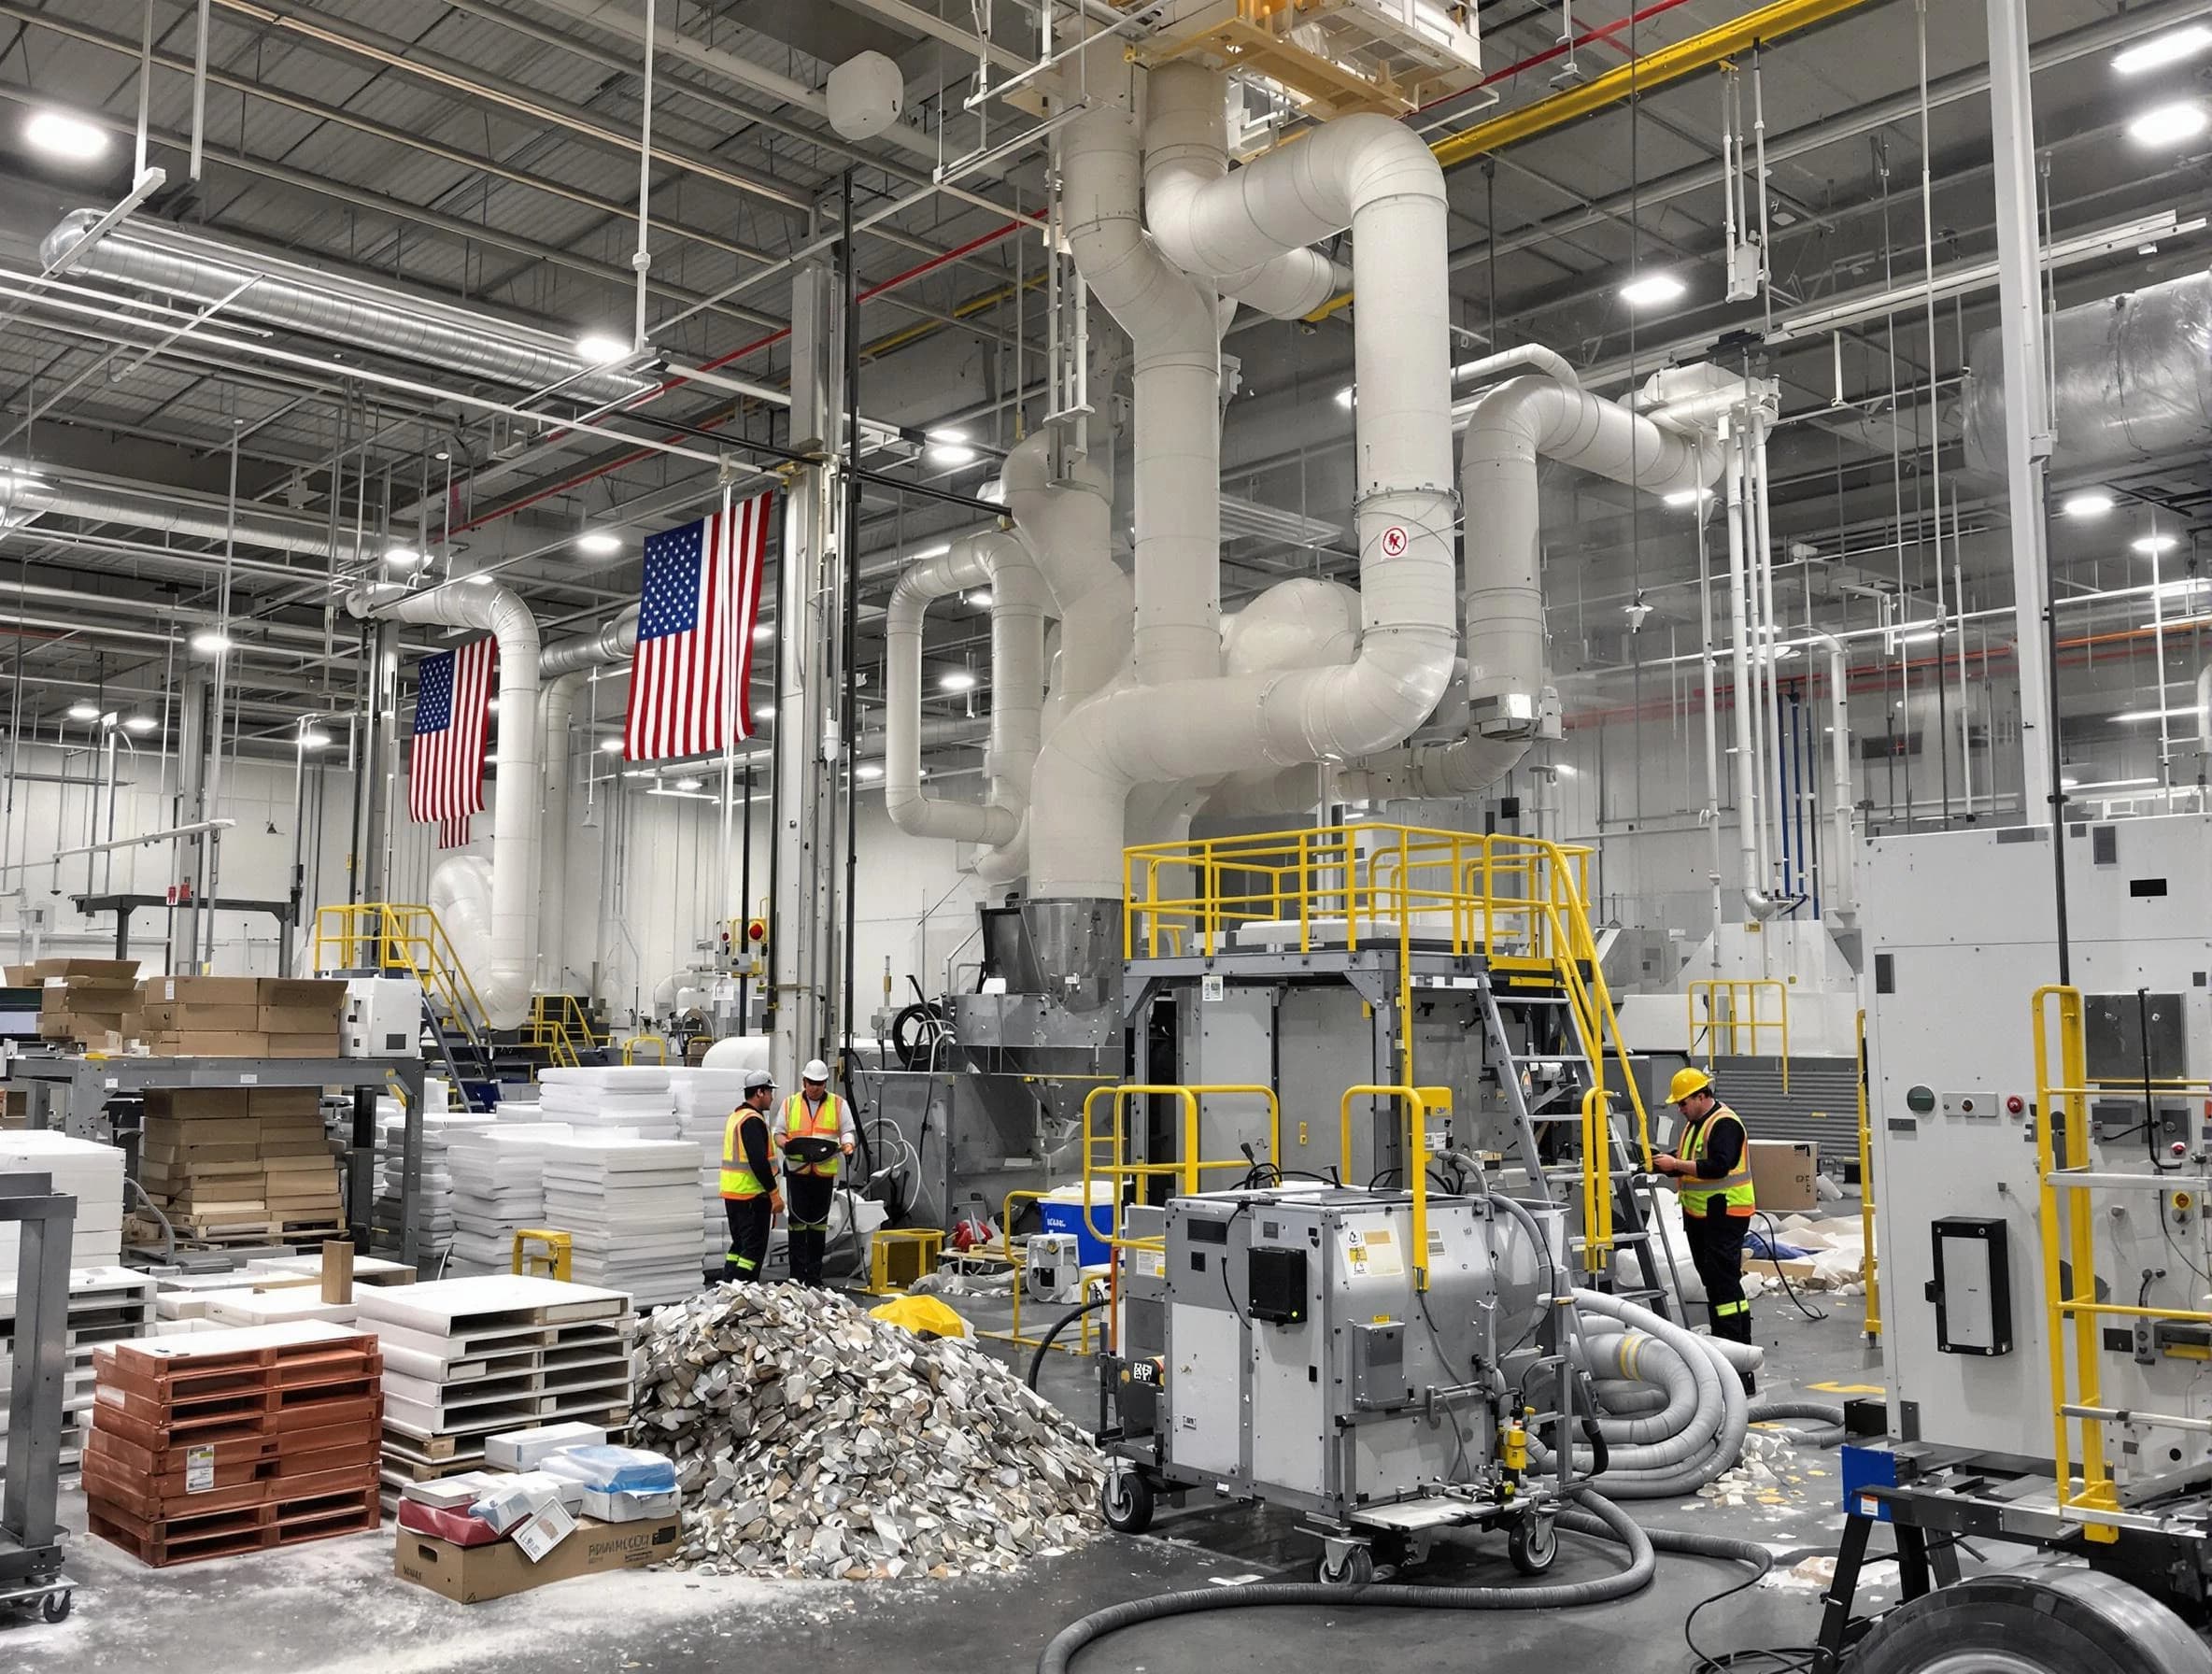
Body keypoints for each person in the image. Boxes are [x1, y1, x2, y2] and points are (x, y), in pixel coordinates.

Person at [1651, 1065, 1758, 1394]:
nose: (1680, 1110)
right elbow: (1692, 1159)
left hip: (1724, 1215)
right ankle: (1738, 1359)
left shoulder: (1723, 1123)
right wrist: (1663, 1162)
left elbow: (1718, 1166)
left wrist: (1676, 1165)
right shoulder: (1698, 1124)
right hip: (1704, 1217)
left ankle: (1733, 1363)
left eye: (1683, 1103)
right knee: (1723, 1287)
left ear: (1702, 1096)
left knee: (1723, 1291)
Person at [776, 1057, 855, 1287]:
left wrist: (848, 1144)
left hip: (822, 1174)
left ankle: (814, 1277)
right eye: (811, 1082)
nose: (814, 1087)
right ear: (804, 1081)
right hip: (798, 1173)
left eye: (819, 1084)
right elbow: (779, 1132)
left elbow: (847, 1130)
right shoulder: (789, 1104)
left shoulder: (838, 1104)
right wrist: (784, 1144)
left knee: (819, 1226)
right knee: (797, 1226)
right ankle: (796, 1277)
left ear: (825, 1084)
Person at [718, 1069, 782, 1283]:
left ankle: (726, 1289)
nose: (772, 1097)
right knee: (752, 1250)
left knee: (739, 1246)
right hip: (752, 1196)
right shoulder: (752, 1121)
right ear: (760, 1092)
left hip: (734, 1195)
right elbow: (758, 1161)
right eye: (770, 1092)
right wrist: (774, 1194)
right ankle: (743, 1292)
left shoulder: (736, 1117)